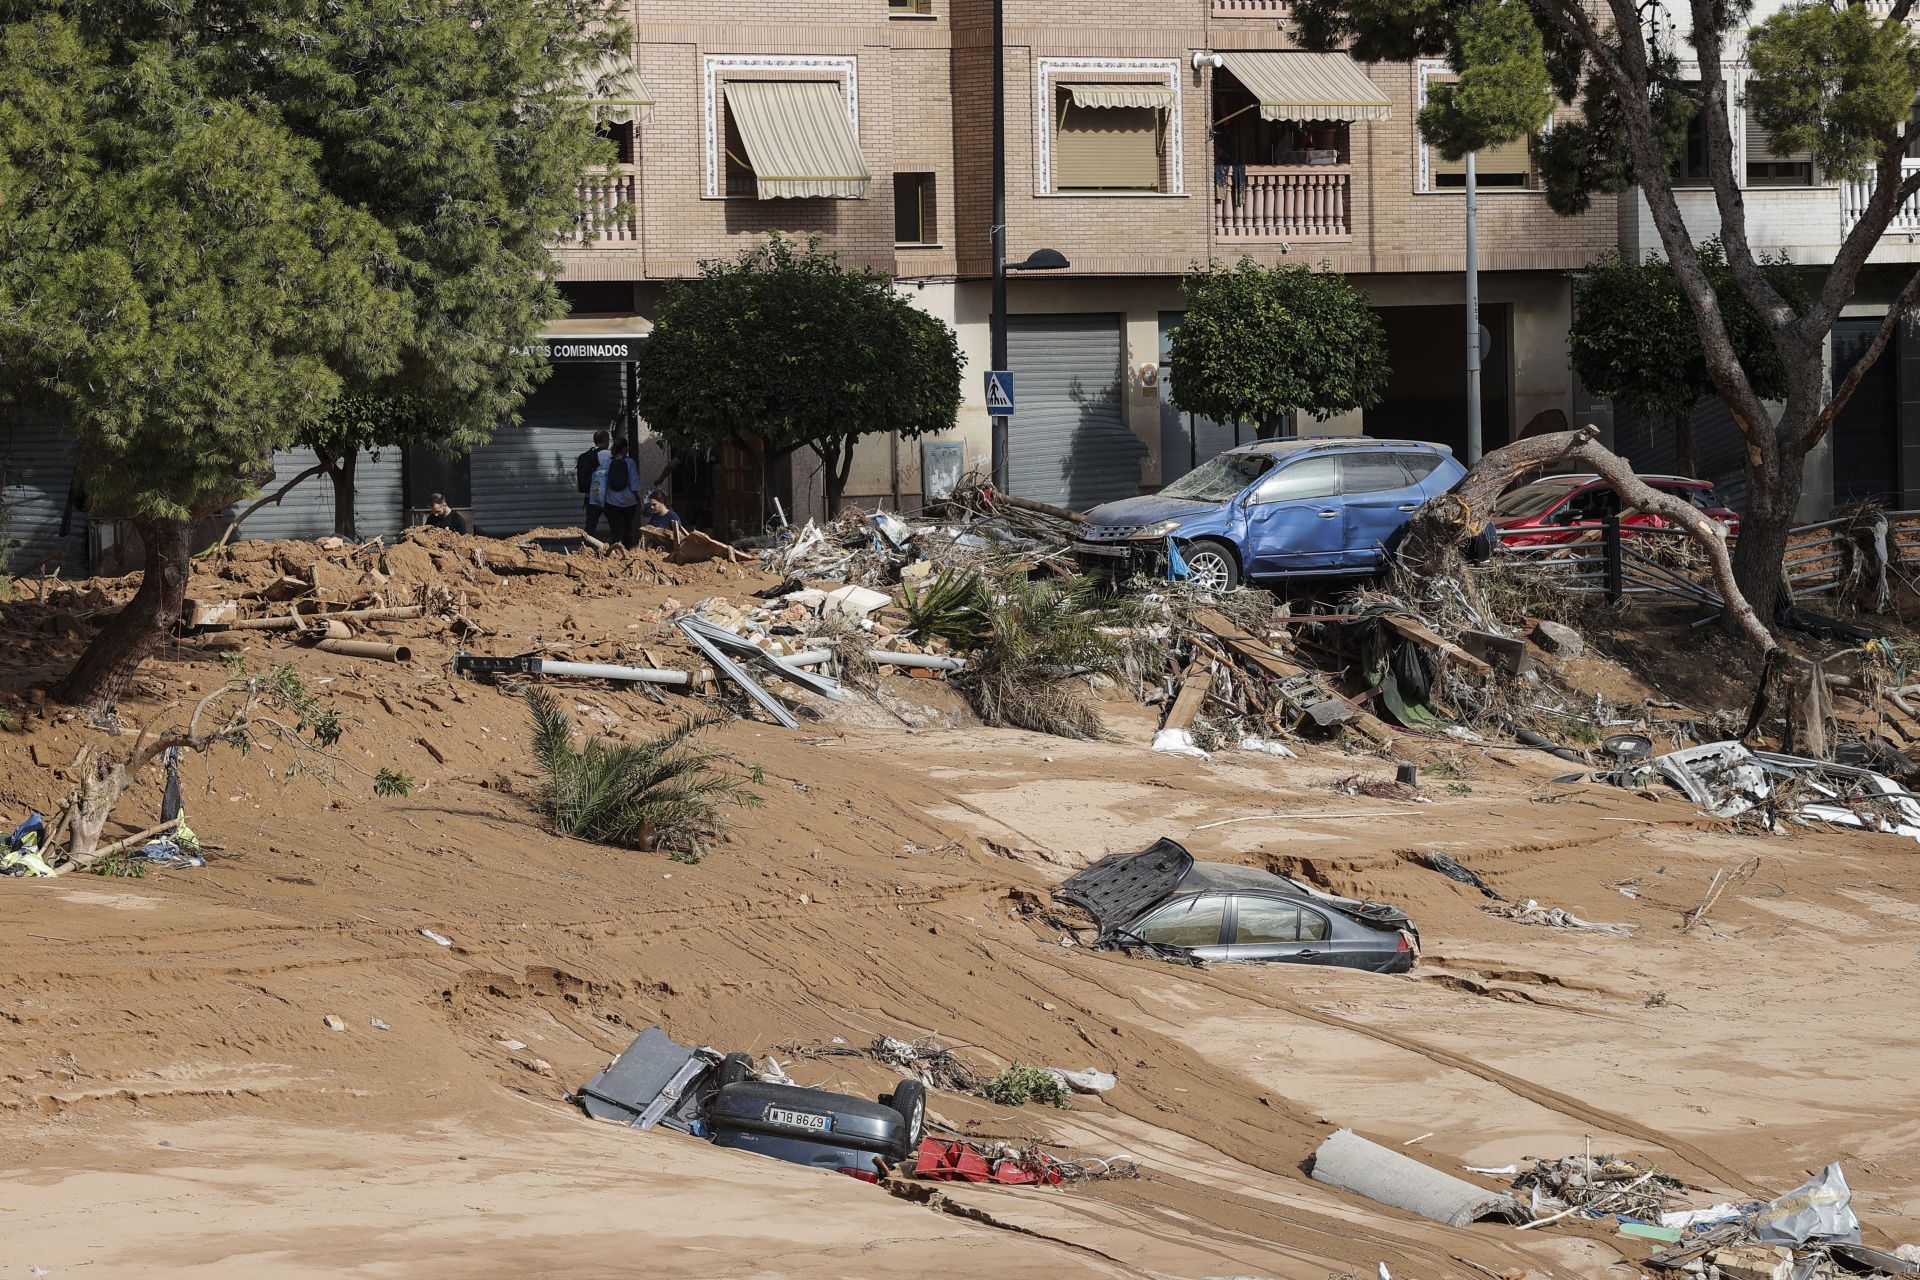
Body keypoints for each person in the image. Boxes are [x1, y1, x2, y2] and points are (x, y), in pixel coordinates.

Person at [601, 438, 640, 547]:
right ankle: (627, 552)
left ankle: (615, 552)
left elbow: (600, 479)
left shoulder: (607, 462)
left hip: (611, 502)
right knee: (628, 529)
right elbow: (635, 482)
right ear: (625, 449)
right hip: (629, 502)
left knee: (615, 530)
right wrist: (640, 501)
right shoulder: (630, 462)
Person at [576, 429, 611, 537]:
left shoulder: (587, 455)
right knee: (615, 524)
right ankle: (618, 548)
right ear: (606, 440)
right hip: (608, 496)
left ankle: (586, 549)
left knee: (590, 526)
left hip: (590, 496)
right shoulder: (610, 455)